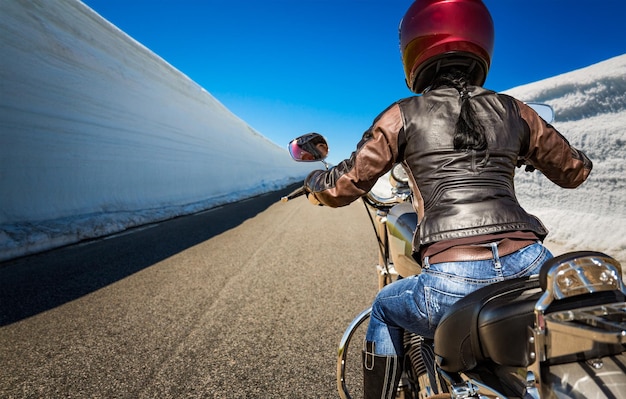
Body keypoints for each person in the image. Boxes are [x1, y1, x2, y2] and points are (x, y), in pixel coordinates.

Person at [301, 0, 593, 398]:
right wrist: (528, 153)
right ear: (480, 40)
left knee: (386, 307)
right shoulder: (515, 111)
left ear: (414, 48)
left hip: (453, 278)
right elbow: (575, 170)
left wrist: (315, 181)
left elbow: (343, 185)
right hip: (531, 264)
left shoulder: (402, 115)